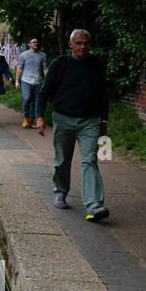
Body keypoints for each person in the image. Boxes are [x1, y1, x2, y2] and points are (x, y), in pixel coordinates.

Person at [35, 29, 111, 221]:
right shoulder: (60, 64)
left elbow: (103, 94)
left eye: (85, 43)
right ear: (71, 45)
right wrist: (39, 117)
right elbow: (44, 92)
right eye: (78, 43)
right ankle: (60, 191)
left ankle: (94, 205)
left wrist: (104, 119)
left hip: (90, 121)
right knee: (62, 160)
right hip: (63, 118)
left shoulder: (97, 65)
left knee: (90, 160)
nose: (82, 46)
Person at [14, 37, 47, 129]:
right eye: (33, 42)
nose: (36, 43)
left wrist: (47, 79)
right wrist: (17, 81)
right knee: (27, 98)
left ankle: (31, 120)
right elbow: (19, 68)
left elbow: (44, 68)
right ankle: (25, 117)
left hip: (38, 81)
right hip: (26, 81)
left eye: (37, 42)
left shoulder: (42, 55)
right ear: (29, 44)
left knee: (35, 102)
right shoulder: (23, 55)